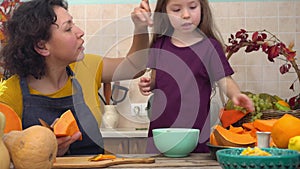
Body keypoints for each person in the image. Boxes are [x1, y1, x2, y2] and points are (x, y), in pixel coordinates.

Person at [0, 0, 151, 156]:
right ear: (42, 46)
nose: (80, 32)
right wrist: (45, 153)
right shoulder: (9, 94)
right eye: (68, 28)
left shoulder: (86, 67)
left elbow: (135, 67)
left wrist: (140, 28)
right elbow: (6, 157)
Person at [137, 0, 255, 153]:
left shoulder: (210, 47)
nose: (186, 15)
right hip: (160, 140)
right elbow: (156, 78)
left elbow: (224, 79)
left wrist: (236, 94)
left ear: (202, 8)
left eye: (192, 7)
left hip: (195, 141)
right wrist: (149, 84)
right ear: (165, 13)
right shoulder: (159, 44)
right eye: (177, 9)